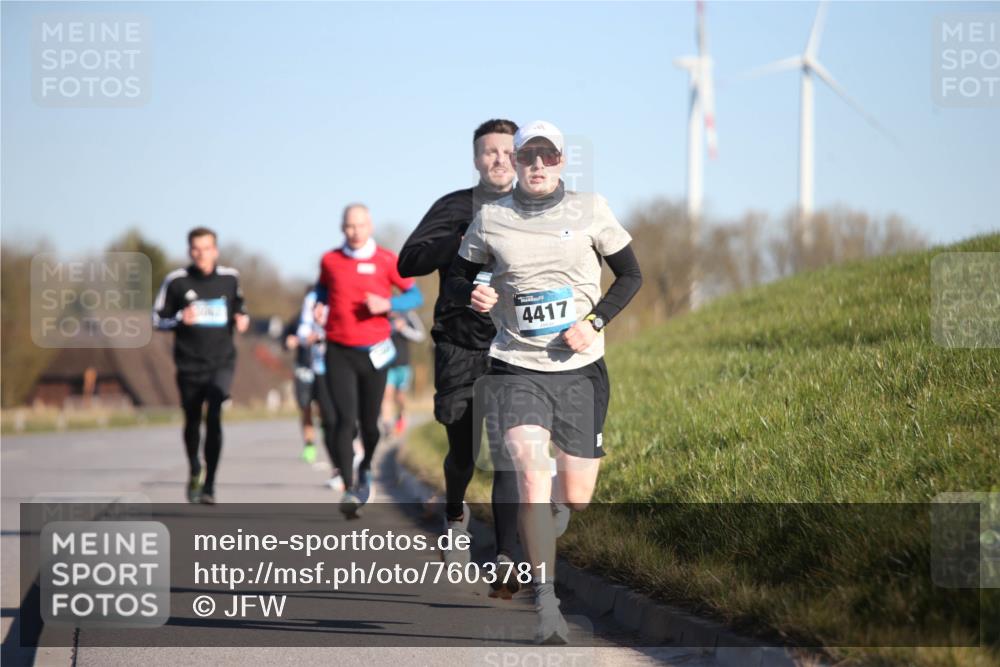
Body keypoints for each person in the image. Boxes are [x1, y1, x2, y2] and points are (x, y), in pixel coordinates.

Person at [445, 120, 642, 643]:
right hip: (515, 365)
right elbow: (461, 272)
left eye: (546, 156)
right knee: (530, 473)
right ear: (517, 160)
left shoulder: (591, 209)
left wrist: (594, 322)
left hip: (580, 369)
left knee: (576, 496)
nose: (536, 165)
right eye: (527, 156)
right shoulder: (491, 218)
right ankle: (546, 605)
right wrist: (475, 294)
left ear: (561, 162)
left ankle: (558, 505)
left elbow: (631, 275)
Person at [398, 118, 523, 598]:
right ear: (476, 159)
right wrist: (463, 236)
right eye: (489, 152)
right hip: (459, 343)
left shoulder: (536, 207)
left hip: (514, 345)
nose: (498, 159)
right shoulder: (453, 206)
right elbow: (407, 262)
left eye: (507, 151)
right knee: (463, 450)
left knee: (509, 451)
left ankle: (505, 557)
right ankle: (455, 514)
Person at [316, 204, 423, 517]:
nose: (355, 231)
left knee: (370, 425)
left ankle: (365, 468)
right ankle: (350, 487)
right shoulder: (330, 260)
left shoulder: (387, 260)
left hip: (375, 352)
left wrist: (387, 303)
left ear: (370, 226)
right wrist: (320, 305)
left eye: (360, 225)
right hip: (338, 349)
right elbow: (323, 289)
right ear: (342, 228)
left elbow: (415, 297)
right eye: (349, 226)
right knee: (342, 421)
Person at [153, 227, 250, 505]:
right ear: (189, 251)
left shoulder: (230, 279)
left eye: (207, 248)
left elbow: (239, 307)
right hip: (189, 363)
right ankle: (195, 467)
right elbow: (157, 319)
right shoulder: (176, 282)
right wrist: (182, 317)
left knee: (216, 413)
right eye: (196, 249)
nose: (201, 254)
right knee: (193, 420)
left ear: (215, 251)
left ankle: (210, 485)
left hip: (221, 360)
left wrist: (242, 318)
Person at [381, 310, 426, 437]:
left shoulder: (408, 316)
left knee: (400, 396)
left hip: (403, 365)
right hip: (387, 365)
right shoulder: (382, 317)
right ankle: (387, 426)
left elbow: (420, 336)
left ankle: (401, 416)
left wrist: (404, 328)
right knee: (387, 395)